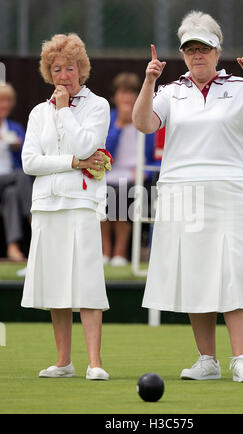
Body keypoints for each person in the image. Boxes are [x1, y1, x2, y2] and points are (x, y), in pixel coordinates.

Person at [133, 11, 243, 383]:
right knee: (196, 275)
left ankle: (242, 358)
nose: (197, 55)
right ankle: (207, 360)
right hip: (182, 192)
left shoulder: (242, 87)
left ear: (218, 52)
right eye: (190, 49)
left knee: (236, 272)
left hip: (232, 190)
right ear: (183, 55)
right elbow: (144, 123)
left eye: (204, 48)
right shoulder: (170, 91)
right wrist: (149, 81)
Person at [21, 33, 111, 380]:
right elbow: (30, 161)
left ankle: (94, 362)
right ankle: (63, 362)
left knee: (87, 281)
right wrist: (74, 162)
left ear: (81, 70)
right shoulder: (37, 113)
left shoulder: (98, 106)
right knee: (56, 284)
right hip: (46, 205)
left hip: (82, 203)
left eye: (69, 68)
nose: (63, 76)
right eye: (56, 69)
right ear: (49, 72)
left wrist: (64, 112)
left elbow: (89, 143)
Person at [101, 72, 156, 266]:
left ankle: (119, 252)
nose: (127, 98)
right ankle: (105, 251)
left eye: (132, 93)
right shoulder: (107, 119)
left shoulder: (147, 118)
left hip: (136, 177)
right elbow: (102, 151)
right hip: (108, 173)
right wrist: (119, 125)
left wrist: (145, 172)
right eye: (123, 93)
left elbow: (155, 158)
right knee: (103, 193)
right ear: (115, 96)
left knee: (122, 193)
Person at [0, 82, 32, 261]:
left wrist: (17, 148)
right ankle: (32, 216)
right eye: (1, 100)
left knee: (12, 194)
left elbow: (27, 161)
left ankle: (13, 248)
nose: (4, 105)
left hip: (8, 181)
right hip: (11, 177)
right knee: (21, 176)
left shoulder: (15, 128)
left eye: (7, 101)